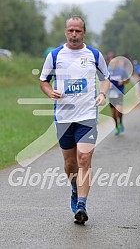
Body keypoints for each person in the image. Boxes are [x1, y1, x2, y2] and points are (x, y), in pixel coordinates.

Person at [39, 15, 110, 224]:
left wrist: (103, 94)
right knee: (70, 163)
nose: (74, 35)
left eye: (78, 31)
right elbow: (43, 80)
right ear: (65, 31)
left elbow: (106, 78)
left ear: (84, 32)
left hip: (87, 116)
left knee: (84, 159)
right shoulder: (55, 55)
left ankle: (81, 204)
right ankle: (73, 187)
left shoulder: (94, 55)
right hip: (64, 117)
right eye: (70, 30)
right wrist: (49, 91)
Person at [108, 58, 129, 135]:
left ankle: (120, 122)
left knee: (119, 111)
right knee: (113, 114)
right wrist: (108, 84)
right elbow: (104, 80)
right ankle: (116, 126)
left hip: (119, 93)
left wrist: (123, 81)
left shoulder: (122, 71)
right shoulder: (108, 70)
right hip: (111, 94)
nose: (112, 65)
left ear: (117, 64)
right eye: (111, 63)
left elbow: (128, 79)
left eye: (114, 63)